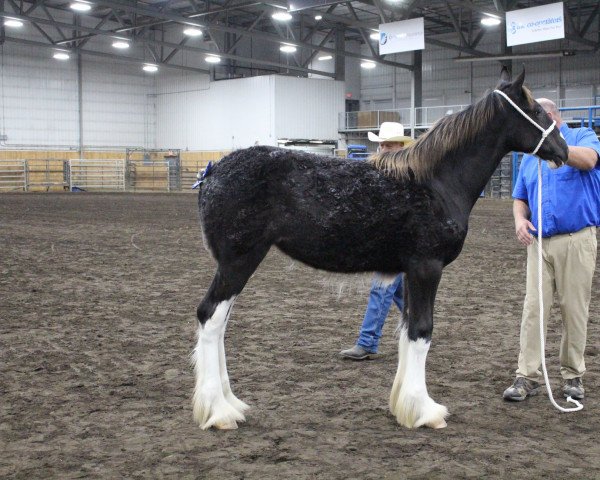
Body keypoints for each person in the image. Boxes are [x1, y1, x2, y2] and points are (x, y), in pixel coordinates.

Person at [503, 98, 600, 401]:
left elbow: (589, 160)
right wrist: (520, 219)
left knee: (574, 309)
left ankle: (573, 375)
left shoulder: (582, 136)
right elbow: (520, 196)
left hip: (576, 239)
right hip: (539, 242)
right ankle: (526, 376)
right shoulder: (533, 155)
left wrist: (559, 151)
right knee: (534, 309)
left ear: (549, 117)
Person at [340, 122, 414, 360]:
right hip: (390, 240)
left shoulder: (407, 172)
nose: (383, 148)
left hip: (396, 242)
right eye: (381, 144)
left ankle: (367, 341)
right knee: (401, 293)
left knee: (381, 289)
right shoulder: (397, 170)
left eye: (388, 144)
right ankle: (419, 329)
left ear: (401, 146)